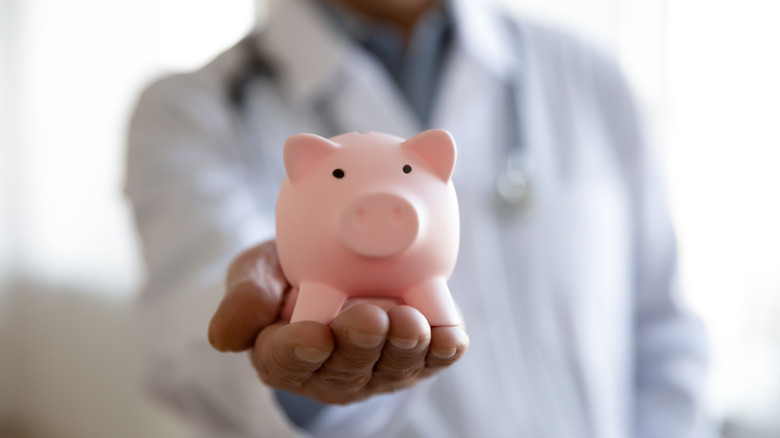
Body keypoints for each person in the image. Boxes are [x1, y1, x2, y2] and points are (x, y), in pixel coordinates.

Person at [125, 0, 711, 437]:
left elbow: (664, 334)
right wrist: (307, 376)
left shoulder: (588, 76)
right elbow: (193, 328)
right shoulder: (192, 110)